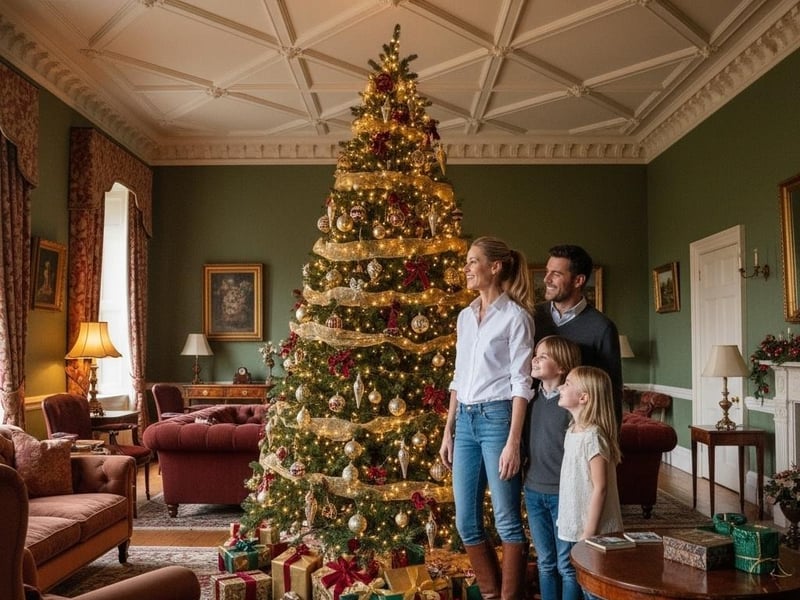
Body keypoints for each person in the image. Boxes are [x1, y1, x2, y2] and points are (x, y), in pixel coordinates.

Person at [439, 236, 535, 600]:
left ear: (495, 267)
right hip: (464, 421)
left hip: (498, 420)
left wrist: (513, 441)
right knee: (466, 521)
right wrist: (449, 431)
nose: (466, 268)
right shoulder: (465, 317)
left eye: (472, 261)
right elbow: (458, 378)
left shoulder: (516, 317)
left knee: (507, 520)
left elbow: (521, 384)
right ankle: (492, 593)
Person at [533, 245, 623, 426]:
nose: (547, 279)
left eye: (556, 274)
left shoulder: (602, 327)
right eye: (547, 272)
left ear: (578, 280)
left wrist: (610, 440)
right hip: (536, 425)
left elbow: (611, 390)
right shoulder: (531, 317)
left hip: (579, 428)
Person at [523, 335, 582, 600]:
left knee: (566, 564)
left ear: (561, 367)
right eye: (535, 353)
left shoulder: (570, 403)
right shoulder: (529, 401)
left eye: (543, 356)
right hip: (533, 492)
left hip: (564, 495)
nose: (535, 358)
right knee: (545, 563)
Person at [557, 366, 623, 598]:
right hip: (571, 525)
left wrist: (589, 533)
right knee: (571, 574)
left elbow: (600, 488)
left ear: (584, 397)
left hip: (593, 531)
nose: (559, 387)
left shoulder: (593, 437)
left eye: (566, 384)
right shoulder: (572, 431)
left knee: (593, 589)